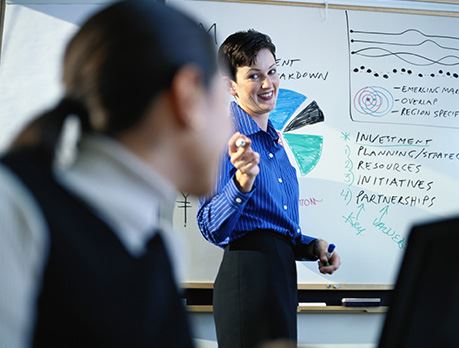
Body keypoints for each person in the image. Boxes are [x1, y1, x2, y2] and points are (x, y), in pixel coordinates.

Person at [0, 1, 231, 347]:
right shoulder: (13, 207)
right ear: (188, 96)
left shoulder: (160, 247)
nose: (229, 129)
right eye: (224, 102)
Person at [197, 30, 341, 348]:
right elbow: (209, 225)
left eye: (272, 72)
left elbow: (274, 229)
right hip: (248, 280)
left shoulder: (277, 147)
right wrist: (241, 183)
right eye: (254, 76)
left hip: (282, 282)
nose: (268, 84)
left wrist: (312, 246)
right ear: (229, 86)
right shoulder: (223, 137)